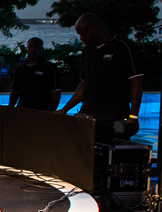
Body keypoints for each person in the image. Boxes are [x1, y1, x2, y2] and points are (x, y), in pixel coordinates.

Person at [58, 13, 143, 142]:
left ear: (96, 29)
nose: (81, 38)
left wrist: (134, 117)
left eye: (84, 34)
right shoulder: (88, 51)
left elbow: (136, 81)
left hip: (115, 117)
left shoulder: (123, 47)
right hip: (88, 115)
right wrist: (64, 109)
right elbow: (85, 83)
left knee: (111, 155)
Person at [8, 37, 61, 111]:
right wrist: (10, 109)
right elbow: (15, 91)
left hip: (42, 110)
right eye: (30, 47)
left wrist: (51, 112)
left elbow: (56, 92)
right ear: (27, 49)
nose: (33, 50)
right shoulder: (20, 68)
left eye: (36, 47)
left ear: (41, 50)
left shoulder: (49, 68)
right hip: (22, 109)